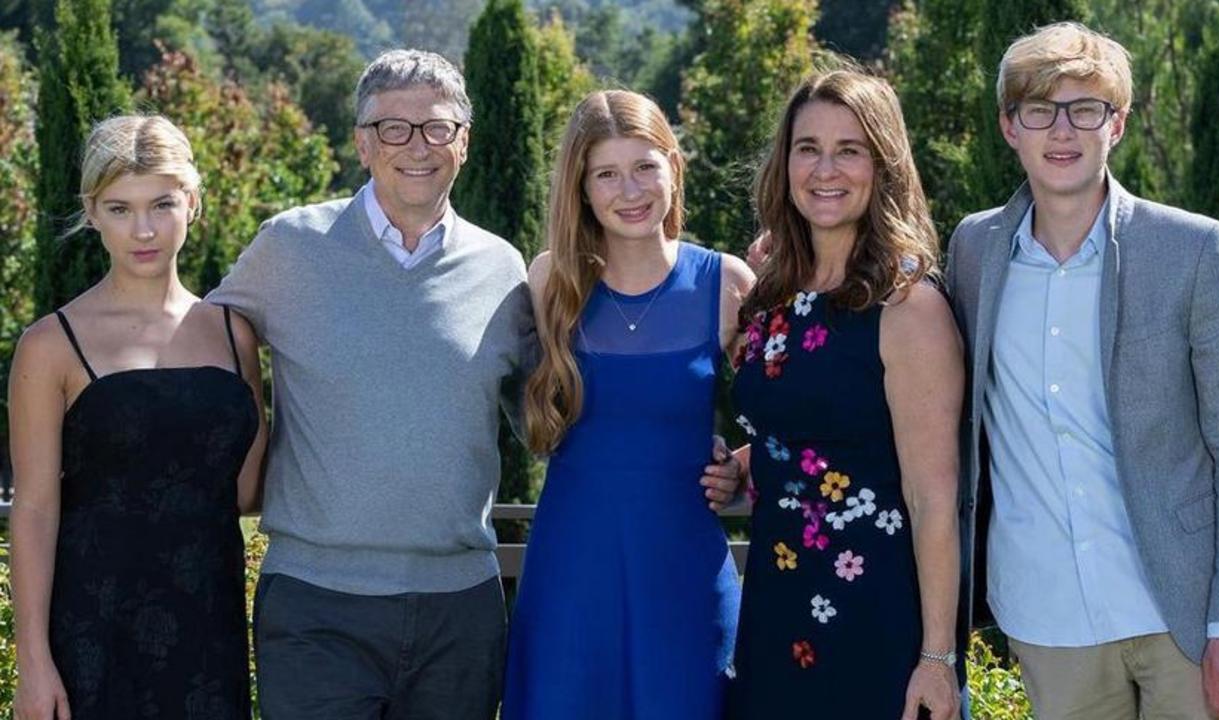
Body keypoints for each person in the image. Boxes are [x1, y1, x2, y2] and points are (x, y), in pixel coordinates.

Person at [947, 22, 1219, 720]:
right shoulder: (974, 251)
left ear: (1118, 123)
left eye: (1086, 109)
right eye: (1040, 110)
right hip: (1047, 619)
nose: (1061, 131)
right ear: (1010, 127)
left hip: (1182, 614)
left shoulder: (1193, 250)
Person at [205, 49, 537, 719]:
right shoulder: (289, 248)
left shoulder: (503, 269)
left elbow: (545, 420)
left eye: (437, 127)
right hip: (315, 605)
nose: (417, 146)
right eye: (392, 128)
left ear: (464, 143)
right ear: (362, 143)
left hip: (460, 611)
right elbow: (198, 342)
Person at [502, 89, 755, 719]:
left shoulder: (725, 284)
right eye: (607, 174)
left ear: (673, 165)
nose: (630, 190)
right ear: (582, 189)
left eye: (645, 166)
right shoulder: (549, 282)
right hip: (571, 570)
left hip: (684, 574)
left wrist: (740, 469)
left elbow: (795, 421)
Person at [9, 114, 267, 720]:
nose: (144, 229)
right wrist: (34, 664)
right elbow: (35, 510)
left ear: (192, 203)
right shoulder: (49, 346)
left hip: (212, 627)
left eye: (162, 204)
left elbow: (247, 488)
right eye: (120, 208)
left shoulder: (235, 334)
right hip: (91, 636)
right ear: (91, 211)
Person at [726, 67, 964, 719]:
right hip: (775, 605)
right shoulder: (774, 291)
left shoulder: (907, 306)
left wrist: (938, 659)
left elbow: (933, 495)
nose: (825, 169)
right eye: (809, 148)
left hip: (873, 619)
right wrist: (743, 466)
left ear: (882, 166)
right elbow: (808, 430)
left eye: (849, 150)